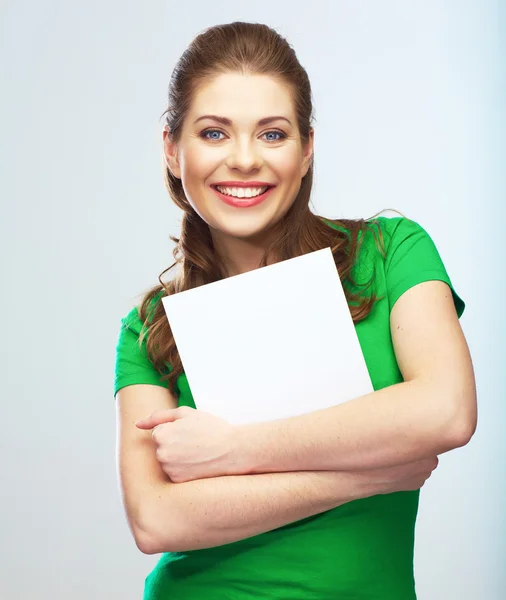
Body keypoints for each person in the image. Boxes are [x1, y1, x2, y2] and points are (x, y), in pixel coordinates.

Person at [114, 21, 477, 600]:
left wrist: (236, 450)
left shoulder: (391, 253)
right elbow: (157, 520)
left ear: (306, 148)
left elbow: (447, 410)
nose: (243, 159)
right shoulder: (153, 326)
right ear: (171, 149)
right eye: (213, 133)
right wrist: (369, 474)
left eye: (272, 134)